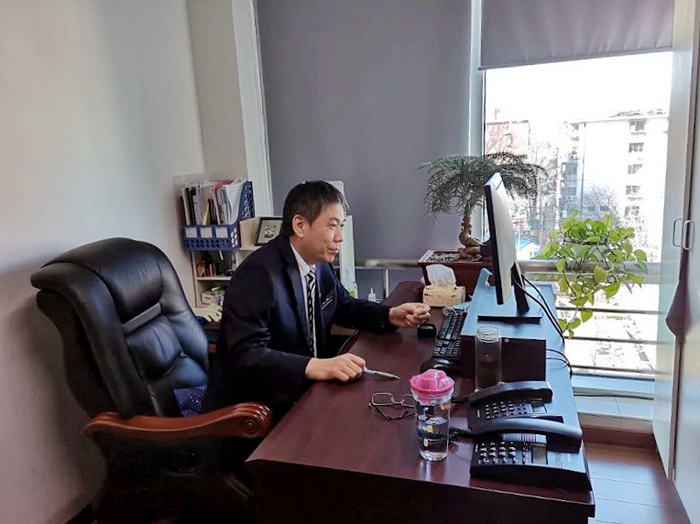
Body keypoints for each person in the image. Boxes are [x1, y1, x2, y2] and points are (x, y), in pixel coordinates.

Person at [205, 181, 430, 413]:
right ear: (300, 225)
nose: (340, 237)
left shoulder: (318, 263)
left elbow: (342, 304)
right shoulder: (258, 274)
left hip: (306, 392)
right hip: (256, 408)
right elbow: (246, 354)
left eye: (341, 226)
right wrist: (314, 366)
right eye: (332, 226)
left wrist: (389, 315)